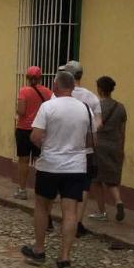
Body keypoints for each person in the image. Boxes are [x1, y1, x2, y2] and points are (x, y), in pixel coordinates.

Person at [22, 71, 94, 268]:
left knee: (42, 207)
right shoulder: (85, 109)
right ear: (72, 87)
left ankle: (39, 249)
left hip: (51, 165)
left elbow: (35, 136)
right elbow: (90, 140)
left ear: (56, 85)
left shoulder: (48, 107)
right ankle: (64, 256)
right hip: (76, 167)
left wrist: (48, 143)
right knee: (70, 212)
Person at [59, 60, 102, 237]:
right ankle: (77, 222)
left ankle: (66, 219)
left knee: (64, 185)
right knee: (84, 186)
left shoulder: (60, 95)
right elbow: (99, 122)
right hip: (86, 150)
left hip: (62, 147)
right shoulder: (91, 97)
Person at [89, 76, 127, 222]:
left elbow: (92, 128)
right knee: (112, 179)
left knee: (96, 180)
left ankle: (102, 211)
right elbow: (122, 131)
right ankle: (118, 201)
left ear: (99, 89)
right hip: (115, 145)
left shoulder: (96, 107)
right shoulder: (120, 107)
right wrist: (121, 148)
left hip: (99, 146)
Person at [14, 66, 53, 200]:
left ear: (27, 78)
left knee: (23, 160)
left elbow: (21, 111)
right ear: (40, 77)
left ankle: (22, 190)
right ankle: (41, 190)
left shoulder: (23, 91)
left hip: (24, 129)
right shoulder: (48, 92)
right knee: (40, 160)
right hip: (40, 129)